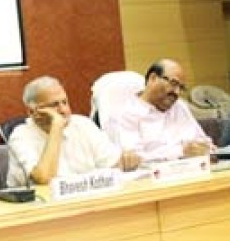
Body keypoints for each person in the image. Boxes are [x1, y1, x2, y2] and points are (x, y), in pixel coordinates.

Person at [7, 76, 140, 186]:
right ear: (32, 112)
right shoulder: (20, 136)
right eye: (54, 105)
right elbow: (44, 179)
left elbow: (112, 165)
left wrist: (126, 161)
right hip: (40, 207)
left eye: (65, 102)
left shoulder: (83, 124)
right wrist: (56, 127)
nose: (64, 110)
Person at [104, 59, 211, 162]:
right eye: (173, 84)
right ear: (153, 78)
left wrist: (204, 148)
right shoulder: (126, 114)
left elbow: (203, 141)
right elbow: (133, 159)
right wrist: (180, 152)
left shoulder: (179, 107)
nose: (177, 92)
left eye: (181, 87)